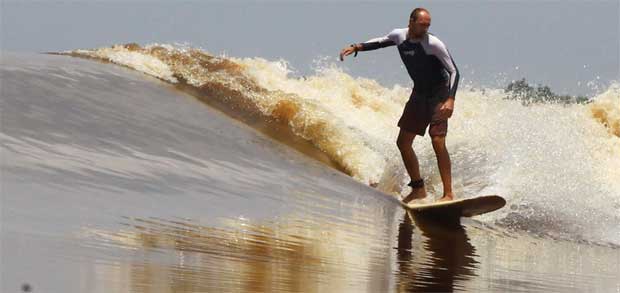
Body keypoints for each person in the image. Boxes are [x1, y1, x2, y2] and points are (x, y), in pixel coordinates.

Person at [339, 7, 460, 203]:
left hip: (439, 94)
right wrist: (357, 47)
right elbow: (380, 42)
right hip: (419, 93)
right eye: (422, 25)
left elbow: (454, 71)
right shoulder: (399, 35)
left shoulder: (433, 43)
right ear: (411, 22)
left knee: (437, 141)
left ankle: (448, 194)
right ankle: (418, 188)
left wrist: (450, 99)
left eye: (428, 25)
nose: (425, 29)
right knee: (403, 143)